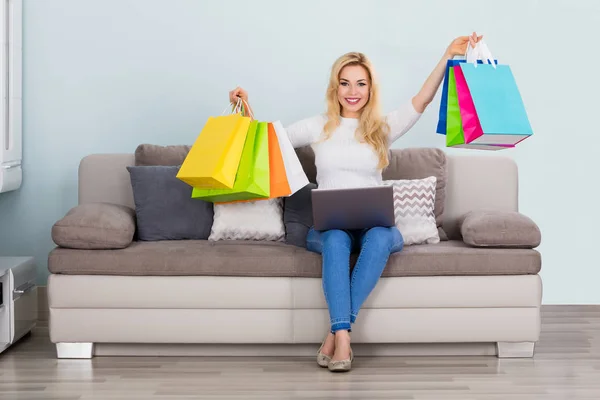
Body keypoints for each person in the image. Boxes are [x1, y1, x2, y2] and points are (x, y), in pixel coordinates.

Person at [229, 32, 482, 372]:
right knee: (334, 239)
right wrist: (245, 107)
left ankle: (336, 336)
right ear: (335, 88)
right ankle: (343, 337)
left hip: (375, 227)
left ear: (370, 88)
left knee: (379, 237)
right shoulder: (318, 126)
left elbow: (421, 101)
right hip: (330, 227)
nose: (352, 92)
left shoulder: (381, 128)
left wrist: (447, 55)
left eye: (360, 84)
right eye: (345, 83)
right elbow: (267, 141)